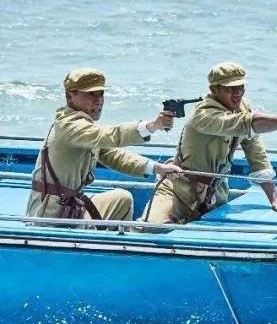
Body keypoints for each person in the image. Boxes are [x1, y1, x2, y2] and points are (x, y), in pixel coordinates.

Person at [141, 62, 277, 226]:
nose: (237, 93)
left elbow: (255, 152)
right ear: (214, 90)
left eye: (241, 87)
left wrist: (274, 198)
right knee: (152, 228)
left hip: (216, 191)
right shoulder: (203, 115)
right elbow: (244, 124)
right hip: (179, 188)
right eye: (230, 89)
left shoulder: (243, 106)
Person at [25, 68, 179, 222]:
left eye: (101, 94)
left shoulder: (84, 129)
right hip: (50, 216)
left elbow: (114, 156)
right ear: (70, 96)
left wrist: (158, 168)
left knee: (122, 199)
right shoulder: (70, 126)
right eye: (90, 94)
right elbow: (108, 135)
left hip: (72, 207)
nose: (98, 100)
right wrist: (152, 126)